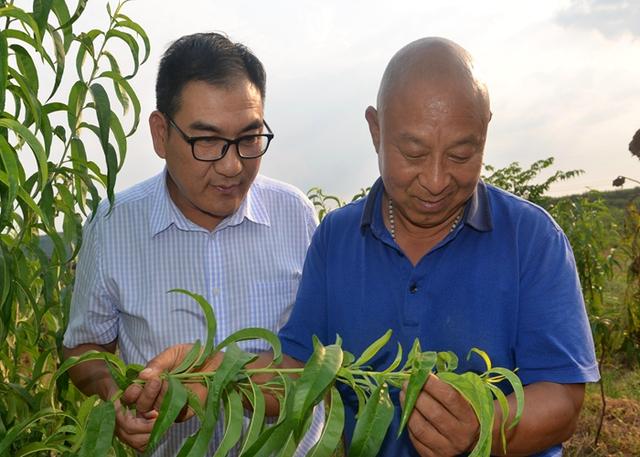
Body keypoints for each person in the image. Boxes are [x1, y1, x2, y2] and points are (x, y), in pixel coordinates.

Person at [133, 37, 599, 456]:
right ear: (375, 131)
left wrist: (485, 428)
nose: (436, 181)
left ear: (486, 130)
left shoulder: (533, 239)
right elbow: (300, 369)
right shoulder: (336, 237)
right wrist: (213, 375)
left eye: (462, 154)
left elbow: (563, 397)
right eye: (413, 153)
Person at [62, 32, 322, 456]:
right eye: (207, 141)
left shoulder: (295, 216)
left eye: (249, 138)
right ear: (161, 134)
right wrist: (116, 397)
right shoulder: (113, 226)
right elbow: (85, 346)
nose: (232, 164)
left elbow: (319, 356)